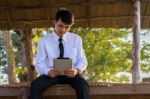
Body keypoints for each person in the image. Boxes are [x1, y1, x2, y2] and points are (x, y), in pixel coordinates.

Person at [30, 9, 89, 99]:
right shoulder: (44, 41)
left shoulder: (76, 39)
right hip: (51, 75)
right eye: (60, 26)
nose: (63, 30)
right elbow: (39, 63)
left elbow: (82, 60)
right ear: (54, 22)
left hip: (71, 75)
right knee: (35, 85)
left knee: (83, 84)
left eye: (67, 27)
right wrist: (48, 72)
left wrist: (76, 70)